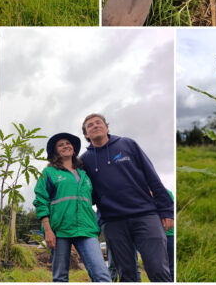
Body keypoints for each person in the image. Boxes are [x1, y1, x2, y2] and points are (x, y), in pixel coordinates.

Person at [79, 113, 173, 281]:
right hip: (113, 222)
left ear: (107, 127)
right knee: (127, 274)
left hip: (145, 215)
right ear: (86, 135)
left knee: (158, 269)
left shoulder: (127, 144)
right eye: (90, 125)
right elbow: (87, 193)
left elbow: (152, 176)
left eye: (98, 122)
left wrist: (166, 210)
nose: (95, 126)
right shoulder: (84, 161)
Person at [33, 132, 111, 283]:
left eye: (68, 143)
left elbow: (94, 198)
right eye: (60, 145)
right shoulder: (49, 172)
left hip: (87, 229)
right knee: (60, 277)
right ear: (55, 151)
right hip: (59, 230)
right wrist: (48, 230)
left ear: (74, 149)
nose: (65, 146)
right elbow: (41, 200)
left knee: (102, 275)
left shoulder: (84, 174)